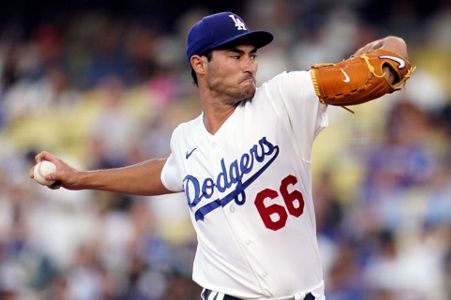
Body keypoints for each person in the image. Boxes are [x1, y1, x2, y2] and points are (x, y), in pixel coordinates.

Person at [30, 11, 413, 300]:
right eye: (235, 54)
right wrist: (79, 179)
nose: (250, 64)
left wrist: (390, 46)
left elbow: (389, 64)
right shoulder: (186, 138)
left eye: (252, 54)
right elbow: (167, 173)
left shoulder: (282, 98)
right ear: (200, 63)